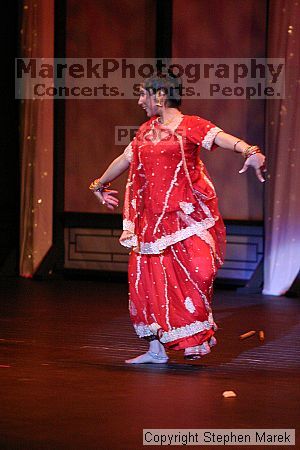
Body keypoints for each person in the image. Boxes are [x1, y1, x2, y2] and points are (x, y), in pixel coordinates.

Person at [89, 75, 266, 363]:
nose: (139, 101)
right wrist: (98, 184)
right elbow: (125, 159)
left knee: (199, 271)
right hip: (152, 220)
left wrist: (250, 151)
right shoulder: (146, 131)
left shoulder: (190, 125)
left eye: (143, 95)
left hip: (186, 216)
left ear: (159, 97)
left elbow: (221, 137)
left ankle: (194, 337)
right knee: (150, 280)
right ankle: (156, 349)